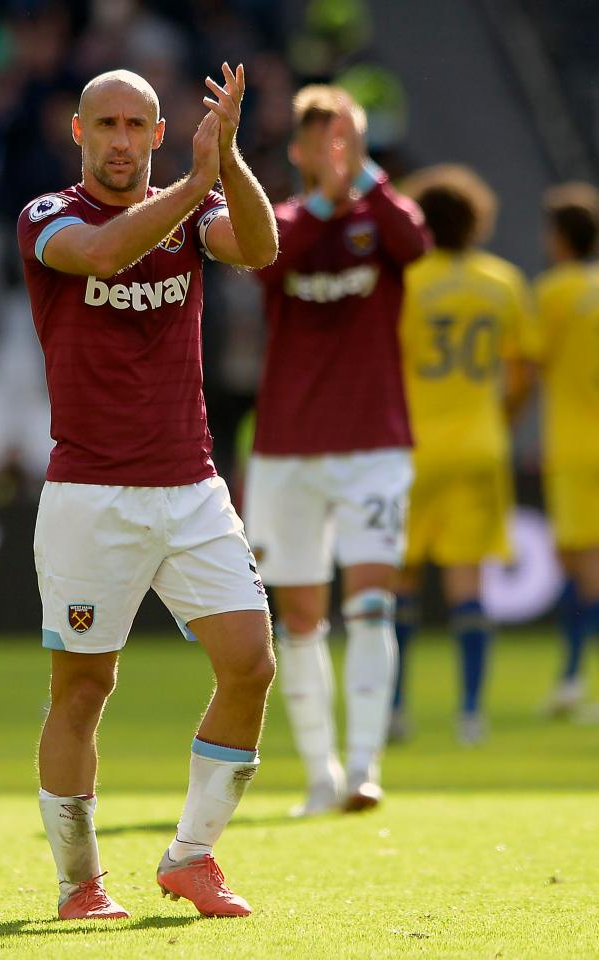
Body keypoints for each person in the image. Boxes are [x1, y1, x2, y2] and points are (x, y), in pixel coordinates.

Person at [17, 64, 277, 920]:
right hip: (91, 493)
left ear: (160, 134)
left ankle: (192, 857)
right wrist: (197, 181)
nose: (122, 141)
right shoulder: (49, 218)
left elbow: (262, 248)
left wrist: (227, 160)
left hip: (192, 485)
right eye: (107, 126)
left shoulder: (196, 209)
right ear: (79, 134)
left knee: (250, 664)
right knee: (83, 693)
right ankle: (80, 882)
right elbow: (102, 252)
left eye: (138, 126)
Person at [244, 85, 429, 816]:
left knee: (374, 605)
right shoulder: (284, 222)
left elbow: (415, 245)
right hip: (288, 448)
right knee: (297, 616)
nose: (336, 152)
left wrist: (367, 184)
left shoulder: (385, 217)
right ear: (298, 151)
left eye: (347, 137)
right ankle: (318, 773)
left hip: (374, 445)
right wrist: (326, 200)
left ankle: (364, 769)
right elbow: (268, 262)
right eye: (322, 140)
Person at [392, 165, 538, 744]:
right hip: (480, 446)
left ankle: (396, 710)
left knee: (399, 581)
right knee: (467, 583)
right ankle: (470, 713)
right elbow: (522, 374)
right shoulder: (502, 281)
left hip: (411, 448)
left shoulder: (404, 279)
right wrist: (497, 422)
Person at [534, 183, 599, 715]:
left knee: (584, 568)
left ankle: (576, 681)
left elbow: (530, 365)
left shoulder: (554, 292)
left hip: (576, 446)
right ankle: (573, 678)